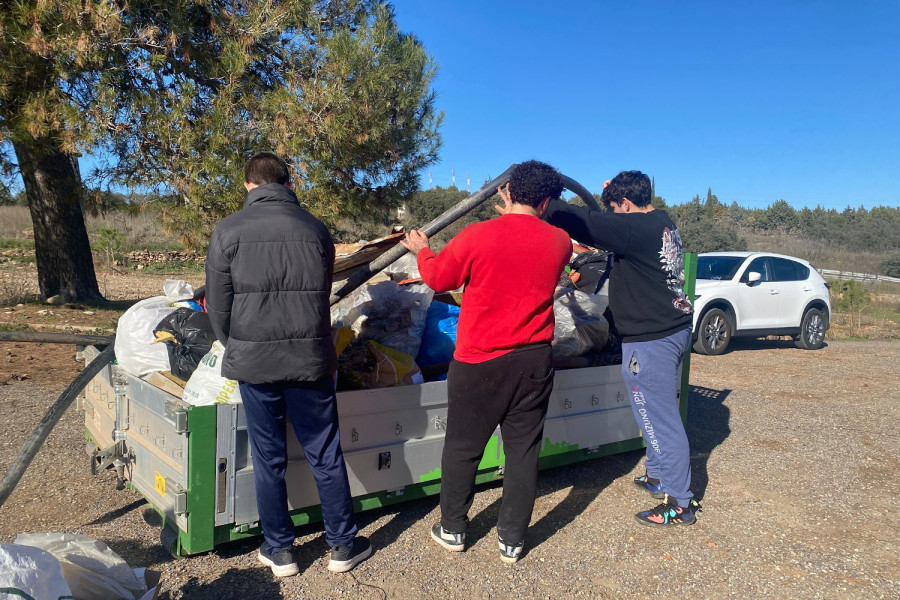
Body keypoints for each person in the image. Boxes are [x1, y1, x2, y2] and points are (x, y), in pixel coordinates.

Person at [205, 152, 372, 576]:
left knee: (268, 458)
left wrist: (237, 345)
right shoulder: (315, 229)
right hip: (310, 360)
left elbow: (219, 306)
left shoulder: (227, 231)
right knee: (325, 453)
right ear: (287, 183)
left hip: (255, 362)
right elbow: (319, 296)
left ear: (249, 186)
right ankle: (342, 546)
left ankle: (280, 550)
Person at [401, 160, 572, 563]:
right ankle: (512, 540)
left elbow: (440, 279)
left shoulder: (477, 235)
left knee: (462, 447)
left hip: (480, 361)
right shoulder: (560, 241)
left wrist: (423, 250)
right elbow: (529, 247)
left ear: (504, 191)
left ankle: (454, 529)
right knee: (523, 450)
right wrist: (522, 217)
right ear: (546, 200)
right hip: (534, 360)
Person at [541, 170, 698, 527]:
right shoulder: (661, 222)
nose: (612, 214)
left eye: (615, 207)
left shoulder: (634, 230)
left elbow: (586, 223)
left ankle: (679, 500)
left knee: (660, 417)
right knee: (652, 410)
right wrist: (610, 196)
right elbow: (604, 220)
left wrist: (546, 203)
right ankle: (658, 473)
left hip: (652, 338)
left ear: (626, 204)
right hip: (668, 328)